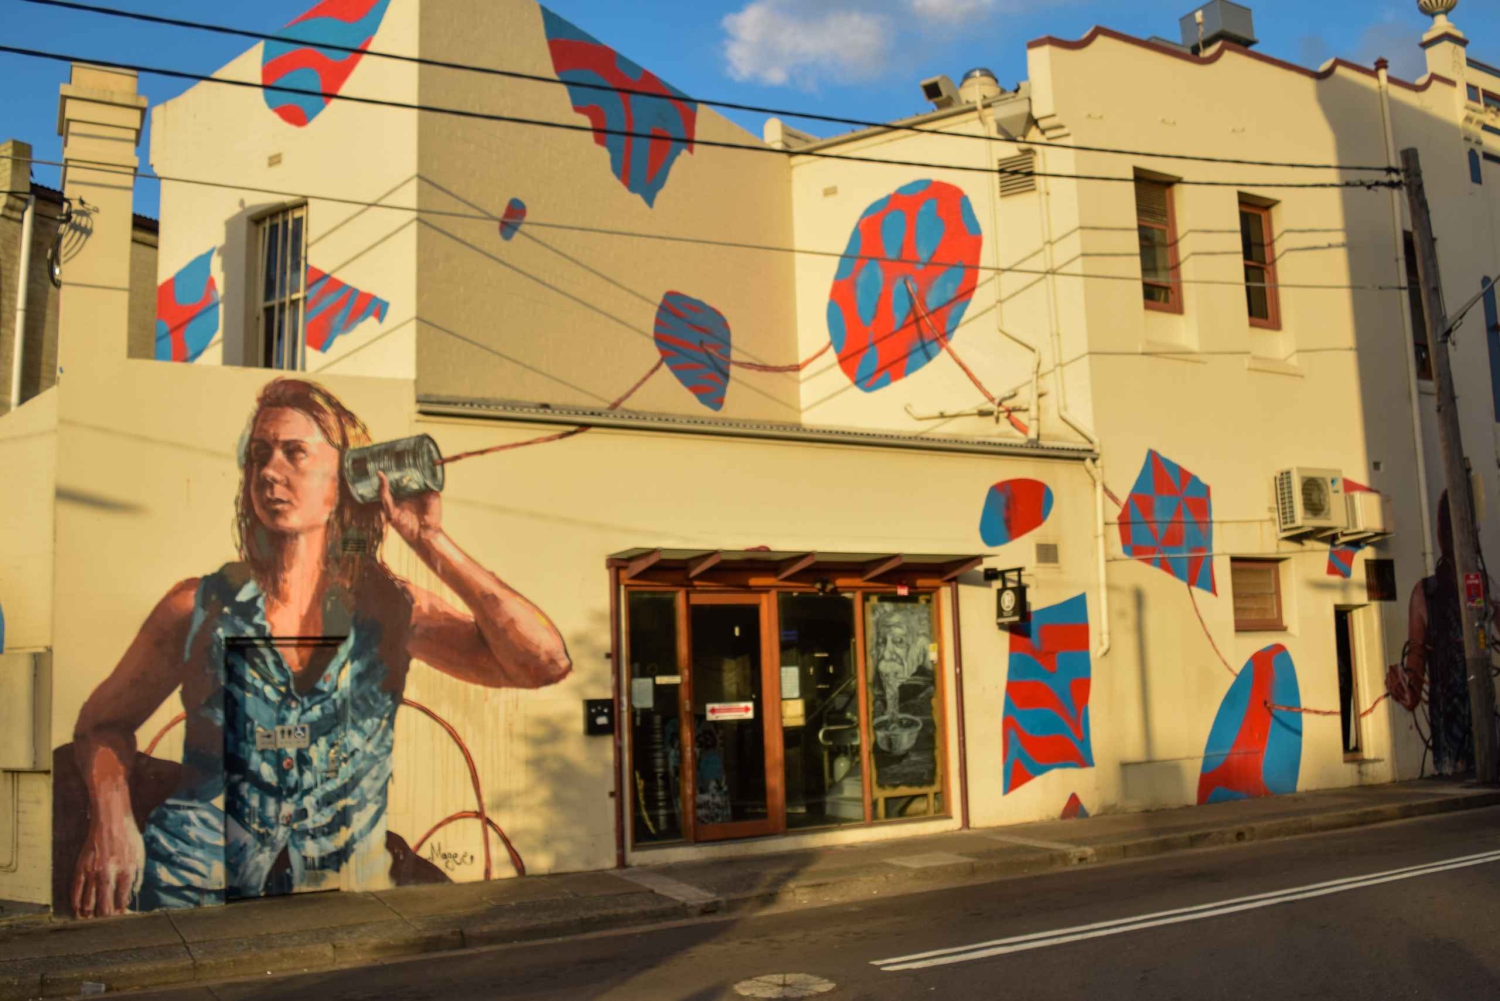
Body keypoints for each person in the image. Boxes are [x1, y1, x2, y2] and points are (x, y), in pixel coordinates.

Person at [69, 378, 571, 918]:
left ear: (346, 477)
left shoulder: (394, 611)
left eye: (294, 453)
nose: (269, 471)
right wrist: (113, 819)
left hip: (345, 899)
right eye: (259, 455)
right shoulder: (198, 607)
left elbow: (542, 663)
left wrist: (429, 540)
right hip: (191, 893)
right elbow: (102, 724)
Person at [1386, 491, 1474, 775]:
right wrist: (1400, 682)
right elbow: (1413, 685)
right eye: (1446, 527)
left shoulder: (1482, 588)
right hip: (1446, 743)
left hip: (1481, 740)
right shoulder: (1425, 593)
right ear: (1439, 533)